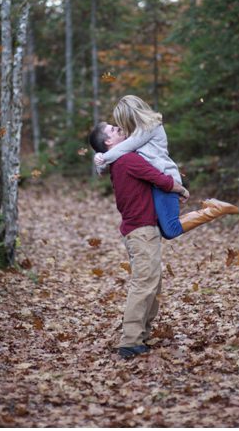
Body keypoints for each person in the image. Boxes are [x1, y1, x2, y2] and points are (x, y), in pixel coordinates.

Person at [88, 121, 188, 359]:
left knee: (153, 284)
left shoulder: (121, 159)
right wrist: (181, 190)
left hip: (143, 230)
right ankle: (131, 341)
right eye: (112, 129)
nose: (117, 128)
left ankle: (142, 335)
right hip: (141, 231)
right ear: (108, 142)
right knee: (144, 284)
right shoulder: (127, 160)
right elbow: (158, 178)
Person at [94, 95, 239, 238]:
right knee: (165, 229)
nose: (121, 127)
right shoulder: (138, 133)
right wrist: (102, 163)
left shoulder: (149, 127)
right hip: (156, 182)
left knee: (171, 230)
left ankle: (215, 210)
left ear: (131, 116)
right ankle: (212, 208)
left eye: (122, 122)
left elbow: (123, 148)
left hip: (165, 178)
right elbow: (121, 156)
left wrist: (102, 158)